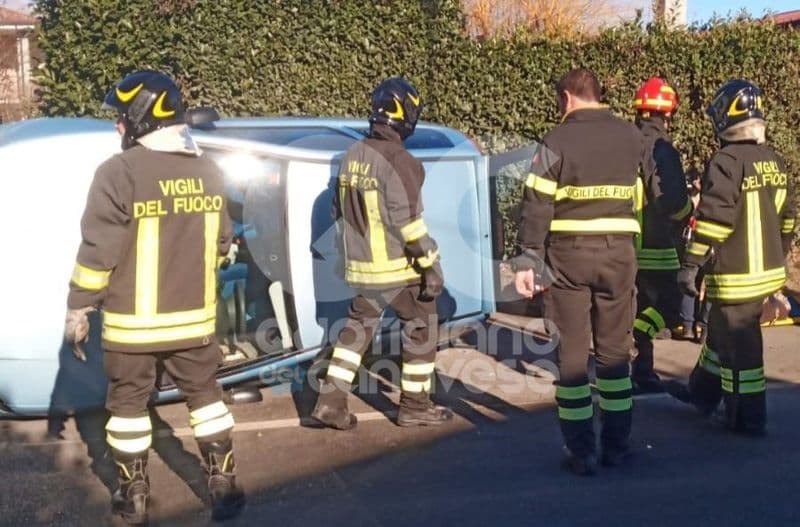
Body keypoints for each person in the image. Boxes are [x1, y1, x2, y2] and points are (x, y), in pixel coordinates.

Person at [63, 70, 245, 524]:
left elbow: (96, 254)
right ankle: (223, 486)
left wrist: (78, 307)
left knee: (127, 408)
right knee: (205, 397)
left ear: (143, 117)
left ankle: (133, 496)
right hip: (195, 325)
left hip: (131, 329)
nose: (117, 127)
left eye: (122, 118)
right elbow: (223, 245)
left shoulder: (117, 173)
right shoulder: (209, 171)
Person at [514, 68, 646, 475]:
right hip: (619, 256)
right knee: (614, 356)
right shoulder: (633, 138)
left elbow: (537, 204)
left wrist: (528, 260)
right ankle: (617, 446)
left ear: (568, 97)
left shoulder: (557, 140)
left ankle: (582, 451)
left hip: (568, 258)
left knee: (572, 356)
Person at [310, 77, 453, 430]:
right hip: (396, 270)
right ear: (406, 114)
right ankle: (415, 405)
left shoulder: (352, 157)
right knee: (422, 328)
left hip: (362, 270)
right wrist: (429, 267)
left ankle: (330, 401)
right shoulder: (400, 160)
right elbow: (409, 224)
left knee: (354, 334)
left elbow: (337, 214)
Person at [667, 80, 795, 436]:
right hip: (765, 276)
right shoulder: (775, 161)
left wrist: (691, 265)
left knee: (744, 354)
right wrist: (776, 259)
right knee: (721, 336)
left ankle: (747, 418)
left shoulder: (725, 162)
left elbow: (713, 223)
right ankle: (703, 393)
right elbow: (789, 220)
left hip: (736, 277)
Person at [630, 77, 693, 393]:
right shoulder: (660, 147)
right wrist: (688, 212)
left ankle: (642, 369)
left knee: (641, 306)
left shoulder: (626, 140)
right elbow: (671, 200)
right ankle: (636, 344)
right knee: (669, 305)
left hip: (628, 242)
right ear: (667, 113)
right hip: (656, 241)